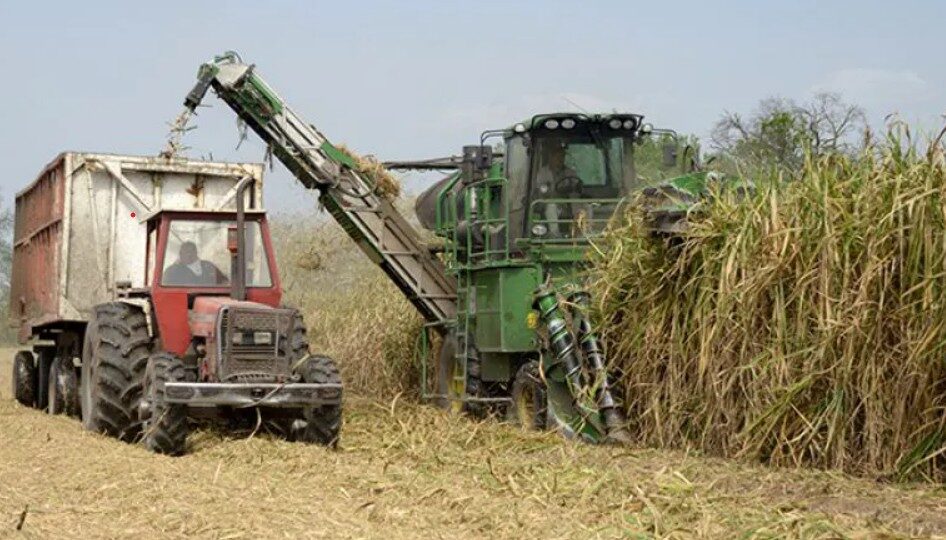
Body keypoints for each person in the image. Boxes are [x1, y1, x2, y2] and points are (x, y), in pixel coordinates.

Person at [163, 241, 228, 286]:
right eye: (186, 252)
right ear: (180, 254)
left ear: (196, 252)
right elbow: (166, 289)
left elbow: (224, 282)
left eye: (191, 251)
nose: (189, 254)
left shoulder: (208, 266)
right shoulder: (172, 271)